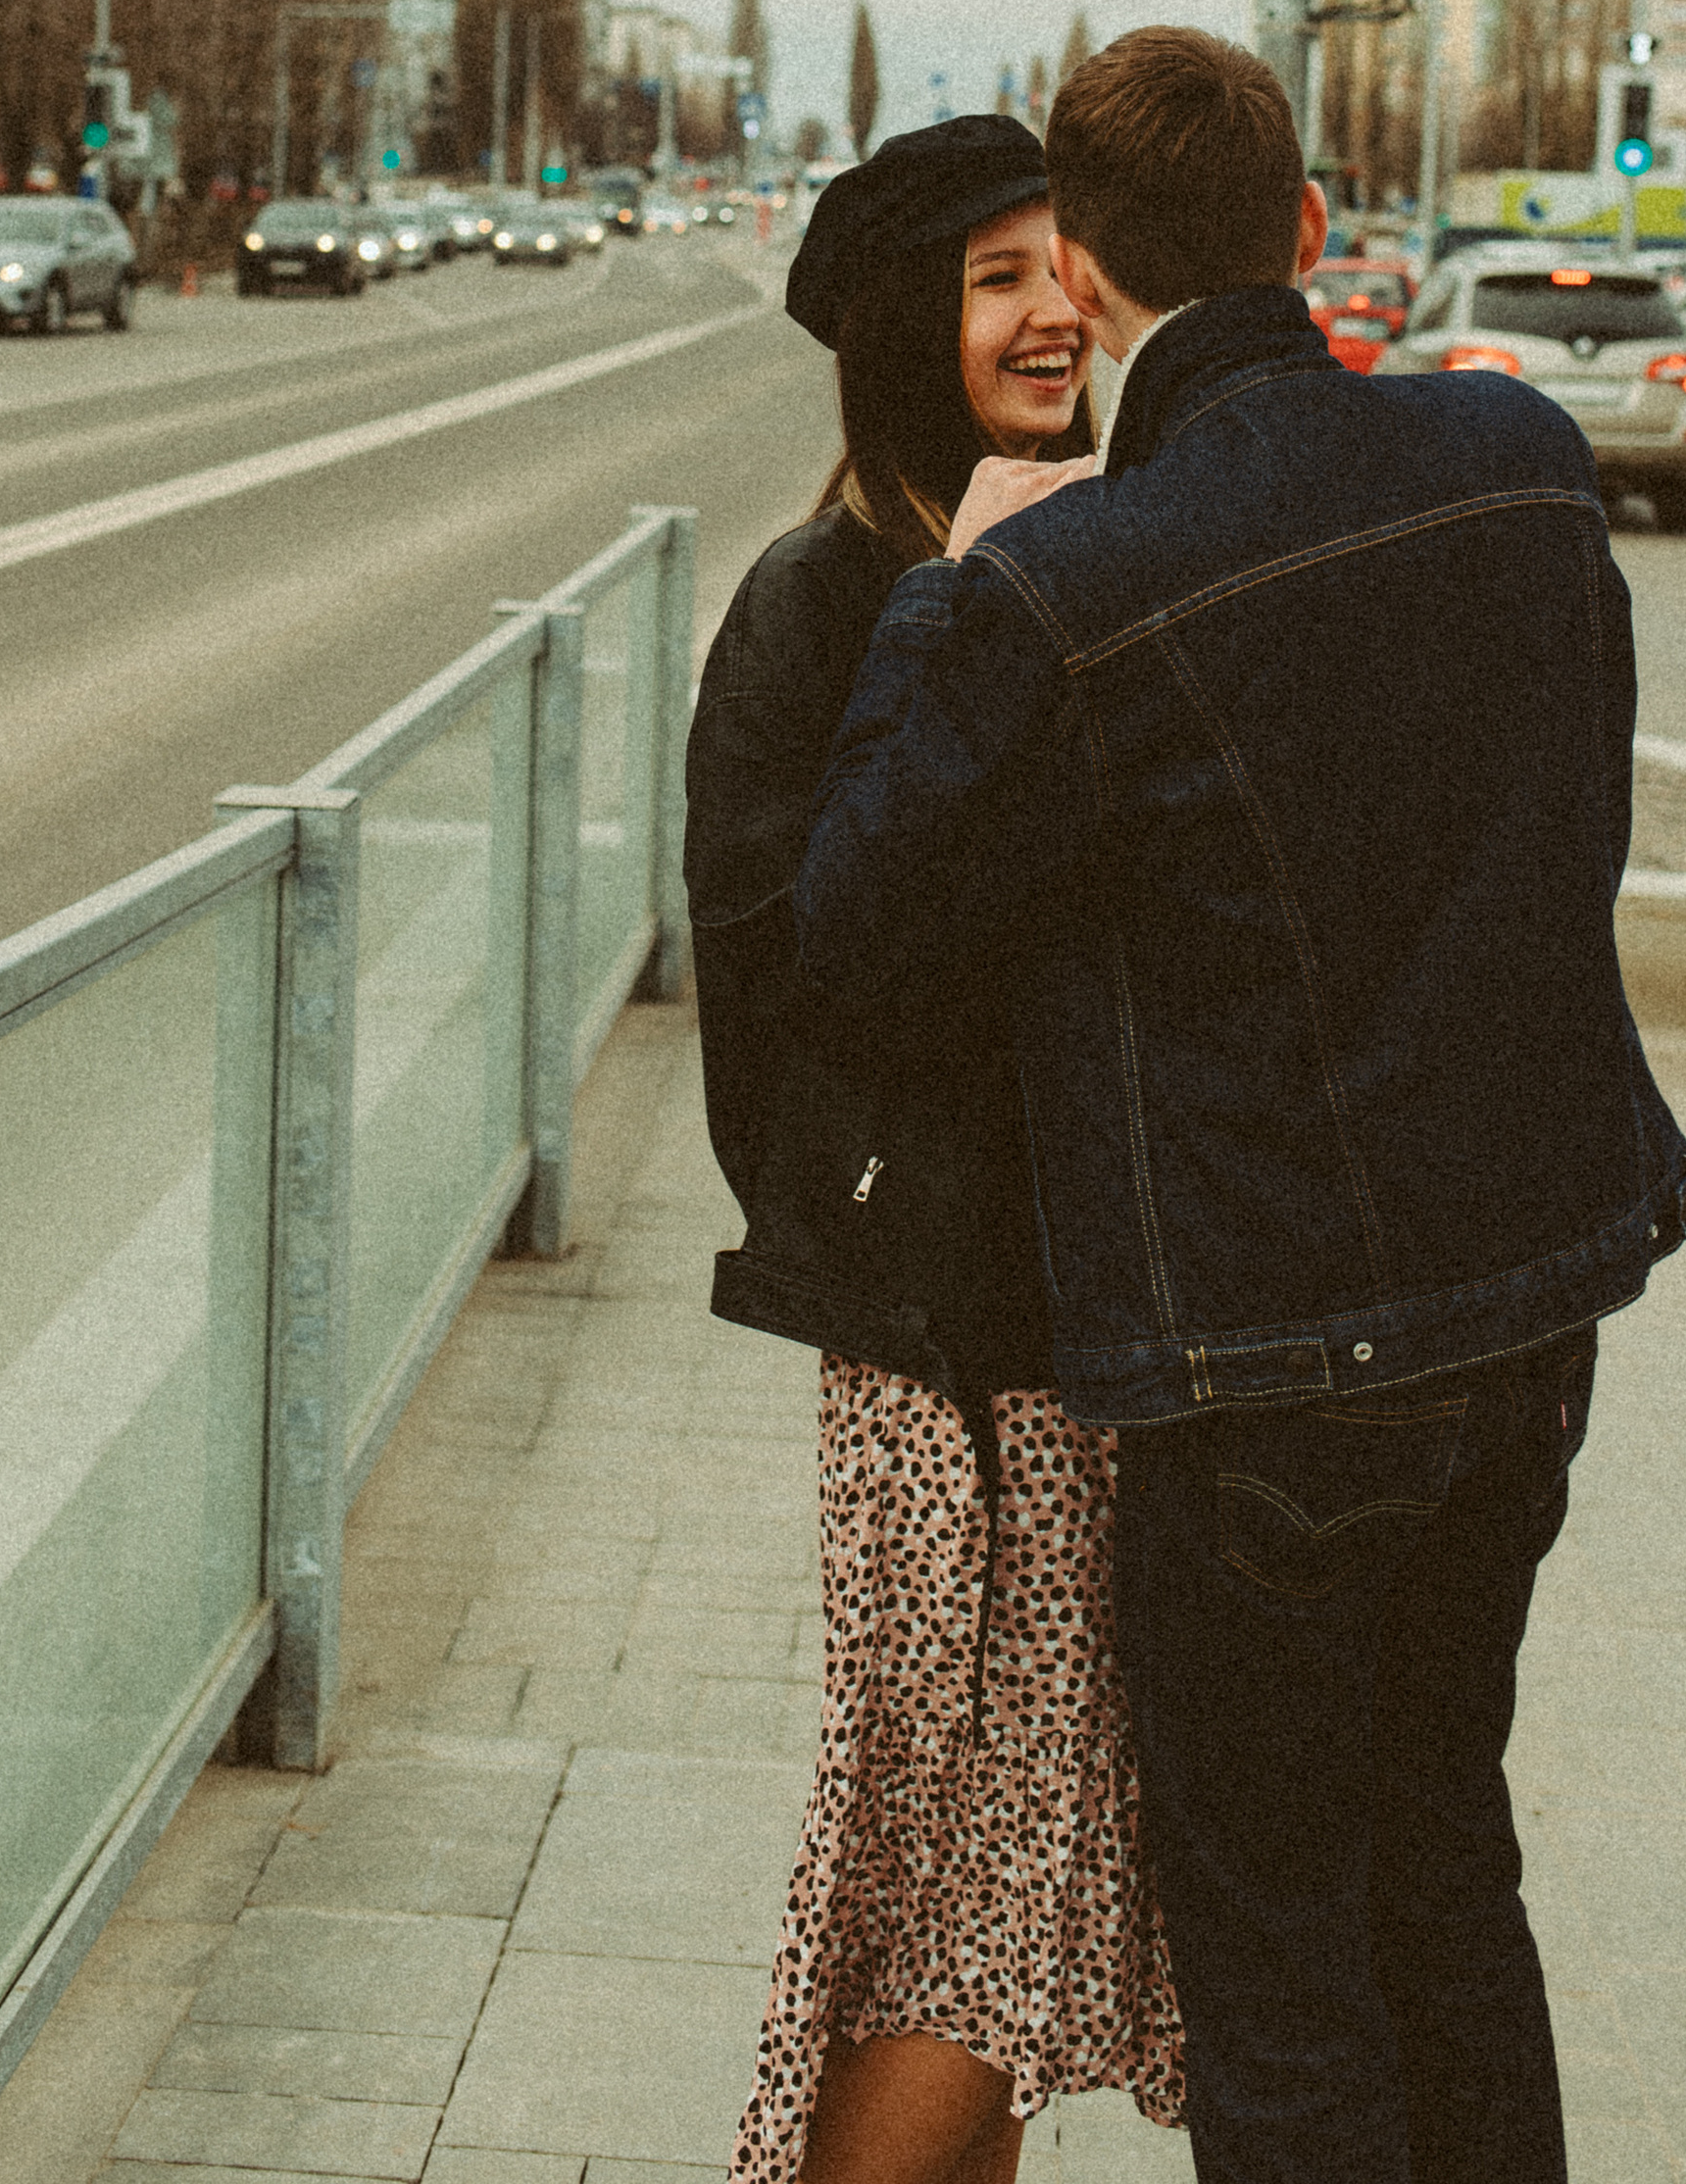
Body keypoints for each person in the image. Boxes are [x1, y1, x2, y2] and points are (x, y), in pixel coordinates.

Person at [794, 27, 1686, 2184]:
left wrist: (947, 589)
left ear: (1084, 276)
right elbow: (1566, 815)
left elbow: (851, 930)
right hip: (1532, 1309)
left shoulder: (1072, 584)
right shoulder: (1517, 457)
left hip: (1268, 1367)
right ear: (1302, 233)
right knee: (1444, 1874)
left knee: (1280, 1952)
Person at [687, 115, 1183, 2184]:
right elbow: (789, 1001)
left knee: (972, 1908)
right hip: (957, 1369)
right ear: (907, 328)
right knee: (969, 1928)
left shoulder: (1103, 549)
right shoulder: (828, 605)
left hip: (1082, 1343)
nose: (1052, 305)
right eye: (995, 279)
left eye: (1060, 262)